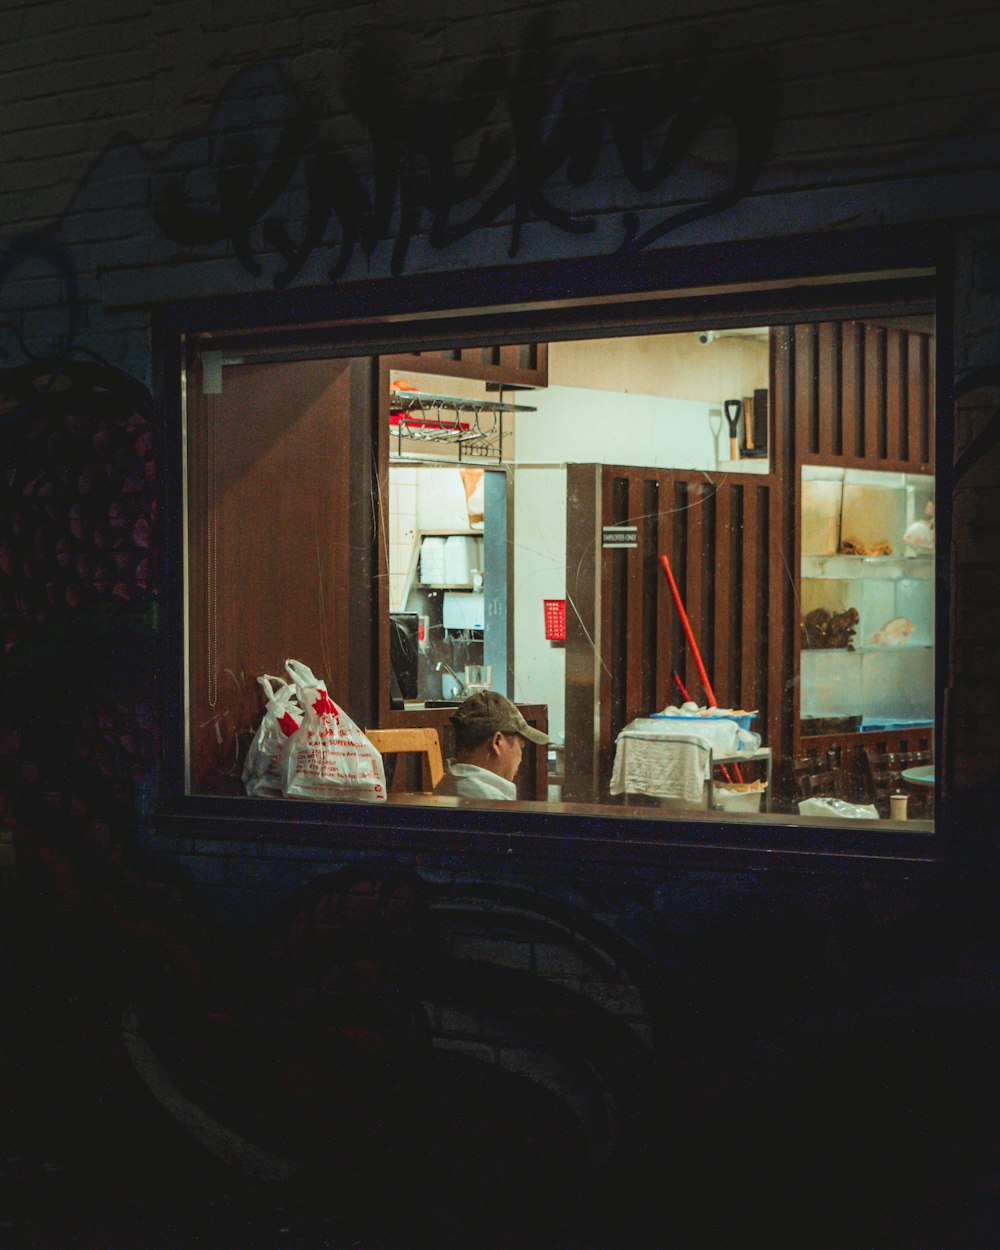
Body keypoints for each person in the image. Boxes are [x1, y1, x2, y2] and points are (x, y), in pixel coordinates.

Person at [434, 690, 549, 800]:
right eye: (521, 746)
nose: (520, 758)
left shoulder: (445, 786)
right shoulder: (492, 801)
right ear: (497, 742)